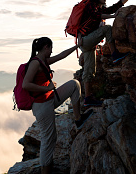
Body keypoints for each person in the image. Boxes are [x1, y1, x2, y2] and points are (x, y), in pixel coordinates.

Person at [22, 37, 93, 174]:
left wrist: (77, 46)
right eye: (51, 48)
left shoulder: (43, 61)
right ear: (46, 47)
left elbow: (62, 55)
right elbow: (26, 84)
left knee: (74, 85)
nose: (52, 51)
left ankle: (78, 119)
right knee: (49, 139)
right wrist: (47, 88)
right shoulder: (35, 63)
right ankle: (45, 170)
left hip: (49, 100)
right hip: (41, 105)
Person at [78, 0, 134, 107]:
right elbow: (97, 16)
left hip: (86, 43)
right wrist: (113, 16)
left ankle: (87, 98)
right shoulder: (91, 7)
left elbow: (115, 6)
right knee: (107, 29)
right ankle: (115, 55)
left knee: (89, 71)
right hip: (87, 40)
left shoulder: (99, 8)